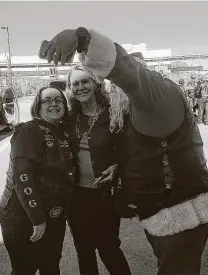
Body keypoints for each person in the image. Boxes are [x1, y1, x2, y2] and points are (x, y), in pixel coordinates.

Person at [38, 28, 208, 275]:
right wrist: (119, 169)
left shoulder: (156, 94)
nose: (117, 87)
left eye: (119, 81)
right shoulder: (132, 110)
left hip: (179, 210)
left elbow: (130, 75)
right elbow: (140, 152)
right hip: (160, 211)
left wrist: (83, 39)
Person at [0, 85, 75, 275]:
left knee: (51, 264)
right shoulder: (29, 131)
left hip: (54, 214)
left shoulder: (62, 131)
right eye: (47, 100)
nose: (54, 104)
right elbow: (22, 177)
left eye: (59, 100)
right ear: (38, 105)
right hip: (23, 216)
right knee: (25, 269)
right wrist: (37, 219)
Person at [65, 64, 131, 275]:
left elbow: (130, 149)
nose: (80, 87)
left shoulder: (113, 113)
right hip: (75, 196)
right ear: (70, 88)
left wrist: (118, 166)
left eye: (85, 81)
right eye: (75, 83)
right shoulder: (69, 118)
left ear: (96, 83)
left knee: (108, 249)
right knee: (84, 251)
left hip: (105, 196)